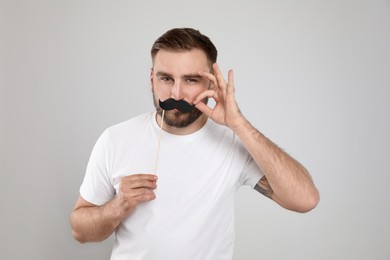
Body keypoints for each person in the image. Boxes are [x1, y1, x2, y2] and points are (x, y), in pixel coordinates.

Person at [70, 27, 319, 260]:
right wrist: (117, 207)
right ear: (151, 78)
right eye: (166, 78)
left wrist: (239, 124)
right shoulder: (116, 139)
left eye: (190, 80)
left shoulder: (233, 142)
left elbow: (305, 199)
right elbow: (80, 231)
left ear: (211, 84)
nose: (176, 94)